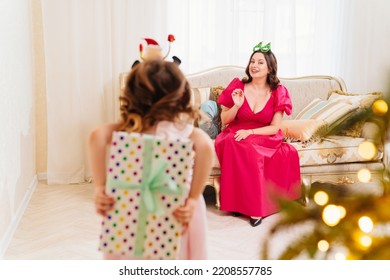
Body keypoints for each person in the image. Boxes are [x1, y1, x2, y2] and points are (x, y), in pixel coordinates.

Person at [88, 59, 214, 259]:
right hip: (178, 207)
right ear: (181, 95)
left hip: (132, 207)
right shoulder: (182, 130)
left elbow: (97, 136)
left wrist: (100, 187)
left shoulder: (130, 128)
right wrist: (191, 199)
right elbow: (206, 147)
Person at [214, 41, 301, 227]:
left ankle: (256, 209)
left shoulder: (279, 92)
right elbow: (225, 120)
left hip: (264, 133)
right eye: (252, 61)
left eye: (260, 62)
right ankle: (238, 204)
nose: (254, 65)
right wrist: (237, 106)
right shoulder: (238, 86)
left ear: (270, 67)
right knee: (235, 143)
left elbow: (275, 127)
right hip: (236, 130)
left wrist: (251, 132)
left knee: (256, 150)